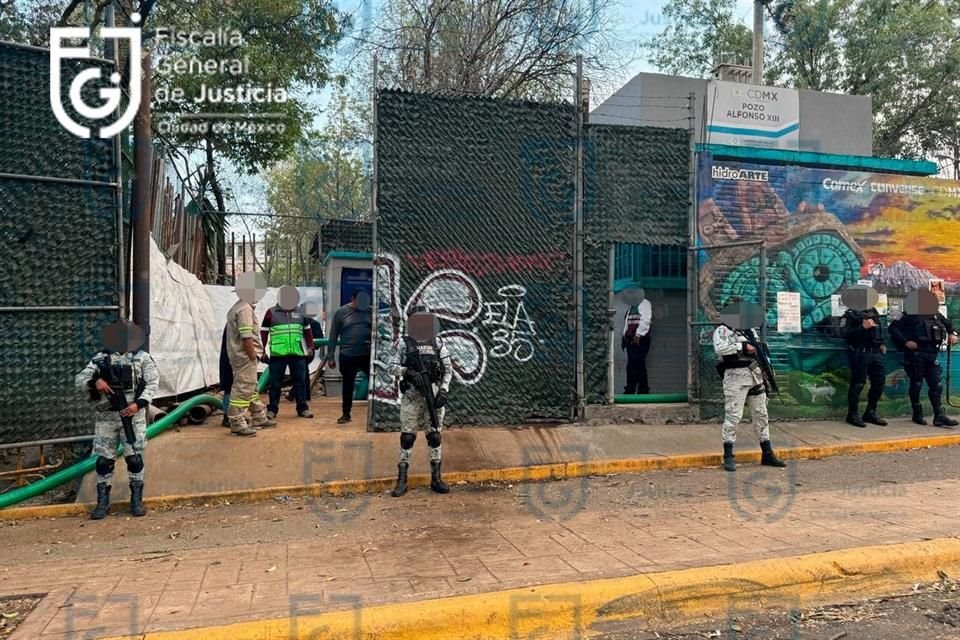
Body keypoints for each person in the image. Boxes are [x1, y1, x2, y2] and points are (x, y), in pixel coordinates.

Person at [76, 320, 159, 519]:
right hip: (106, 417)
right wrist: (96, 382)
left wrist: (138, 404)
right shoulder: (100, 359)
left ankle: (136, 500)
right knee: (104, 461)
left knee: (134, 458)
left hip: (132, 416)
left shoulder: (142, 358)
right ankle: (102, 502)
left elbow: (153, 382)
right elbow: (79, 380)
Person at [386, 306, 453, 497]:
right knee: (407, 437)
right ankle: (402, 480)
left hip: (432, 393)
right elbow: (390, 366)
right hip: (412, 396)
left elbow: (448, 368)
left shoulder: (437, 342)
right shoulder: (403, 343)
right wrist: (407, 372)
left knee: (434, 436)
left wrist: (444, 390)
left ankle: (436, 479)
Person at [712, 300, 787, 472]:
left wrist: (767, 372)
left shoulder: (749, 330)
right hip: (735, 379)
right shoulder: (723, 330)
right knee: (733, 416)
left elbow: (759, 351)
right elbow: (720, 349)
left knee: (761, 415)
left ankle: (767, 453)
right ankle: (728, 455)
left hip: (755, 376)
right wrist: (743, 347)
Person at [888, 288, 959, 427]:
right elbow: (893, 328)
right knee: (916, 383)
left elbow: (949, 324)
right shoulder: (909, 313)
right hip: (915, 355)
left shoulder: (935, 314)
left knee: (936, 385)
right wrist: (905, 341)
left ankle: (939, 415)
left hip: (932, 355)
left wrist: (952, 333)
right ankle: (917, 413)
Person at [225, 271, 277, 436]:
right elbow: (246, 336)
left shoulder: (239, 307)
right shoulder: (245, 310)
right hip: (244, 356)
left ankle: (258, 416)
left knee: (251, 387)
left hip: (241, 355)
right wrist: (253, 355)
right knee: (243, 388)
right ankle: (237, 421)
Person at [261, 285, 314, 419]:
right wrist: (262, 351)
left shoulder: (301, 313)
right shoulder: (271, 313)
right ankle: (272, 409)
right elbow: (263, 333)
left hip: (298, 353)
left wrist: (310, 347)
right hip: (278, 354)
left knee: (300, 382)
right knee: (275, 384)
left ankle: (302, 408)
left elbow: (307, 331)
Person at [839, 286, 888, 428]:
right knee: (858, 383)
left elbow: (879, 330)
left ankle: (870, 412)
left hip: (875, 353)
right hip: (860, 353)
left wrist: (882, 343)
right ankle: (852, 415)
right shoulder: (849, 315)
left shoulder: (873, 312)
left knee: (879, 383)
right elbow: (844, 333)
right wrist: (862, 328)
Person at [326, 290, 373, 424]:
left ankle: (377, 413)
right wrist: (330, 357)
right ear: (352, 298)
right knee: (348, 385)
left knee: (375, 384)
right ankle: (346, 414)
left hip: (367, 354)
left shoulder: (370, 311)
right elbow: (333, 335)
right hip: (348, 355)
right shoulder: (341, 312)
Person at [288, 302, 324, 403]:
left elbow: (319, 340)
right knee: (301, 373)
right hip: (297, 351)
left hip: (306, 352)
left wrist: (310, 347)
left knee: (302, 372)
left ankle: (298, 394)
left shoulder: (313, 324)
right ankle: (301, 395)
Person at [621, 289, 652, 394]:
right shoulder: (631, 308)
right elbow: (627, 323)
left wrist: (638, 335)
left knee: (636, 364)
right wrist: (624, 337)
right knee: (634, 364)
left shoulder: (644, 303)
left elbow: (645, 320)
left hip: (640, 339)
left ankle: (638, 389)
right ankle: (636, 388)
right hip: (631, 340)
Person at [219, 325, 233, 428]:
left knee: (232, 388)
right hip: (231, 359)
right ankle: (228, 417)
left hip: (231, 358)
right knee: (230, 388)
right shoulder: (236, 321)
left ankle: (232, 416)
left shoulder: (232, 321)